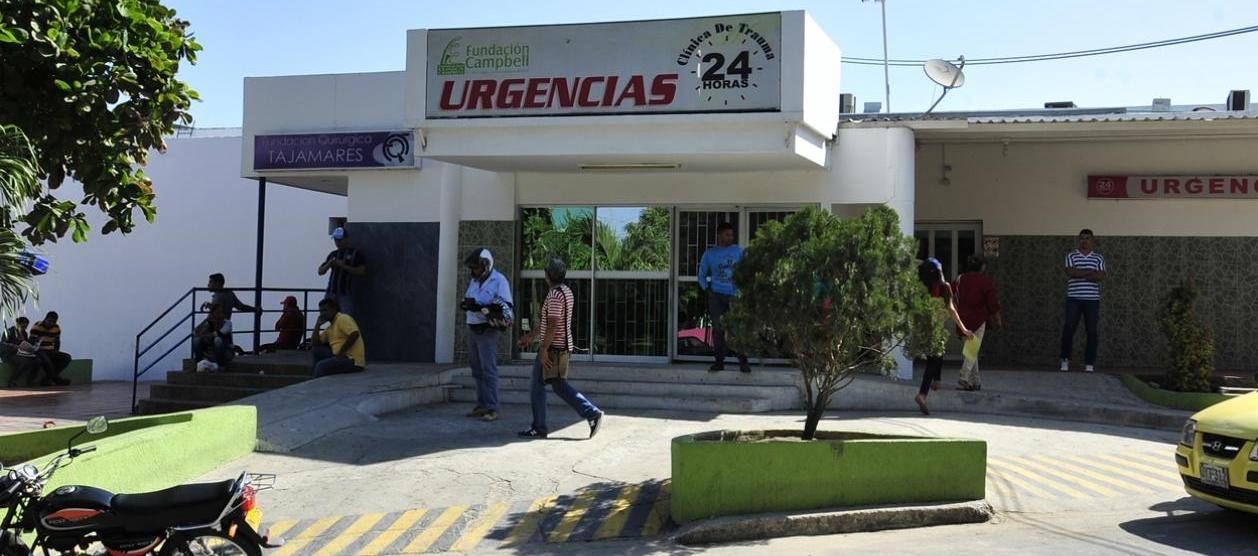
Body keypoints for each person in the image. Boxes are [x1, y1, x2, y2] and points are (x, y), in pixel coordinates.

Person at [516, 258, 604, 439]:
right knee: (558, 385)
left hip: (553, 349)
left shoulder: (554, 295)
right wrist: (529, 337)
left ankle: (540, 427)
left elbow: (553, 324)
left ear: (548, 275)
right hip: (562, 347)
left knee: (537, 386)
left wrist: (543, 349)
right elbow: (548, 323)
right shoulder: (566, 291)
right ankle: (591, 413)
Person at [915, 258, 972, 415]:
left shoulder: (919, 287)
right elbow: (952, 310)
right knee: (933, 361)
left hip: (922, 328)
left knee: (938, 354)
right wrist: (964, 329)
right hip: (935, 328)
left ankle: (937, 381)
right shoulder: (944, 287)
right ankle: (922, 394)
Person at [462, 248, 512, 422]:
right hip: (473, 327)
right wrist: (468, 304)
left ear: (486, 265)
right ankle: (481, 404)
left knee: (488, 369)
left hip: (487, 329)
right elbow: (469, 298)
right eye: (473, 268)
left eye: (477, 267)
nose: (474, 271)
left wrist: (485, 308)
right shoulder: (474, 281)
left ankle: (492, 407)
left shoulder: (499, 280)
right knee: (477, 370)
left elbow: (505, 305)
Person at [698, 222, 751, 373]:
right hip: (716, 296)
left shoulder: (738, 252)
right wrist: (706, 289)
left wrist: (743, 290)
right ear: (720, 235)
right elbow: (701, 274)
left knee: (737, 329)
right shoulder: (709, 254)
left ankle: (743, 362)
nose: (731, 237)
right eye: (728, 235)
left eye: (732, 235)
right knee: (717, 330)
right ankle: (719, 362)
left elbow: (746, 271)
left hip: (734, 296)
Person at [953, 254, 1003, 391]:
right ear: (982, 267)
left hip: (962, 319)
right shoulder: (985, 282)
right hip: (979, 319)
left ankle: (975, 381)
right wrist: (998, 319)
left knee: (971, 349)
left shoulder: (959, 279)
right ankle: (964, 377)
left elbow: (953, 297)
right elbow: (992, 303)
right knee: (972, 350)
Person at [1060, 229, 1106, 373]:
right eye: (1082, 238)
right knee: (1068, 328)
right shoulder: (1071, 255)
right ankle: (1065, 359)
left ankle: (1089, 363)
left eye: (1087, 238)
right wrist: (1090, 272)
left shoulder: (1098, 258)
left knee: (1091, 331)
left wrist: (1079, 273)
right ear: (1078, 240)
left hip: (1092, 300)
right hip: (1073, 298)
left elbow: (1100, 276)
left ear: (1092, 240)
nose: (1084, 241)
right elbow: (1070, 272)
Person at [311, 297, 366, 377]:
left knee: (321, 366)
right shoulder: (331, 327)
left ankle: (317, 385)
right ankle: (316, 378)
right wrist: (317, 325)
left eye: (325, 310)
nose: (323, 314)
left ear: (334, 309)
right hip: (339, 356)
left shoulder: (342, 318)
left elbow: (354, 334)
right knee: (316, 350)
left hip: (352, 360)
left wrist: (341, 353)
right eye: (321, 311)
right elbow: (315, 343)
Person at [318, 227, 367, 316]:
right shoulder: (333, 254)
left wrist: (343, 266)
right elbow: (320, 271)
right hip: (331, 293)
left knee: (346, 318)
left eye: (340, 240)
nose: (338, 242)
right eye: (336, 240)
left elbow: (362, 270)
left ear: (346, 239)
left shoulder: (355, 253)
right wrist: (329, 264)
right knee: (326, 316)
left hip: (345, 294)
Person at [30, 312, 71, 386]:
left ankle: (48, 378)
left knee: (67, 357)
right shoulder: (37, 326)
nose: (51, 323)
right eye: (49, 321)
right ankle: (55, 379)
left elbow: (57, 341)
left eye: (53, 322)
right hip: (39, 350)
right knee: (47, 361)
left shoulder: (56, 328)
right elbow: (31, 341)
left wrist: (56, 351)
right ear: (45, 319)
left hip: (51, 350)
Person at [3, 317, 44, 387]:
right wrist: (13, 346)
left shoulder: (24, 333)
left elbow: (26, 344)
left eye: (26, 327)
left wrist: (33, 345)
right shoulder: (9, 331)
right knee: (24, 362)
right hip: (11, 353)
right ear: (17, 324)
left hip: (22, 353)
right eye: (23, 326)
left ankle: (31, 380)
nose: (24, 328)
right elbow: (3, 343)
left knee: (38, 360)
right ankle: (12, 380)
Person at [193, 304, 234, 370]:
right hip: (210, 353)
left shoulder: (228, 323)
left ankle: (221, 365)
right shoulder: (209, 323)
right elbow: (195, 332)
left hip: (225, 353)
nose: (220, 315)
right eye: (217, 313)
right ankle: (199, 364)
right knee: (196, 340)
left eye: (221, 313)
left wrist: (206, 335)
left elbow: (220, 333)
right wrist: (206, 320)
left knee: (218, 340)